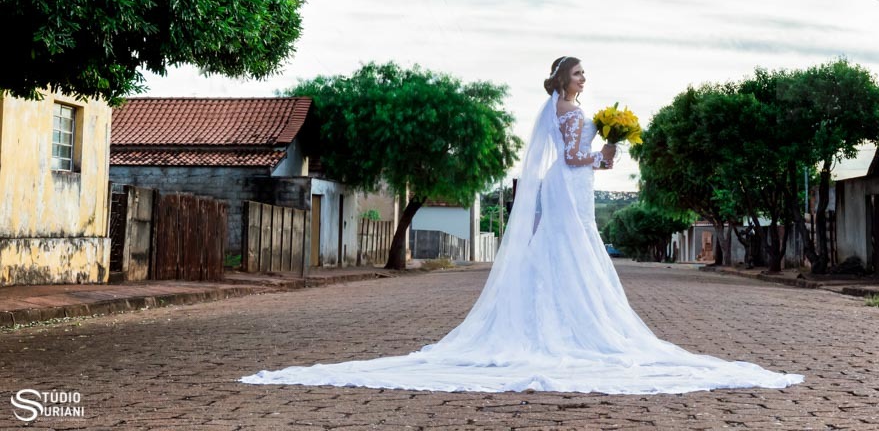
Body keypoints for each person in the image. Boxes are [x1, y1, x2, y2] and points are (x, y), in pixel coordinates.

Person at [241, 57, 804, 393]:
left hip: (576, 186)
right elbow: (577, 157)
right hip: (570, 185)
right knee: (572, 247)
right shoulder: (567, 111)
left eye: (585, 74)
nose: (585, 78)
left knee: (576, 247)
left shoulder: (575, 113)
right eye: (580, 72)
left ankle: (569, 315)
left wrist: (608, 152)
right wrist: (604, 145)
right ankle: (569, 325)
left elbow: (588, 161)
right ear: (564, 79)